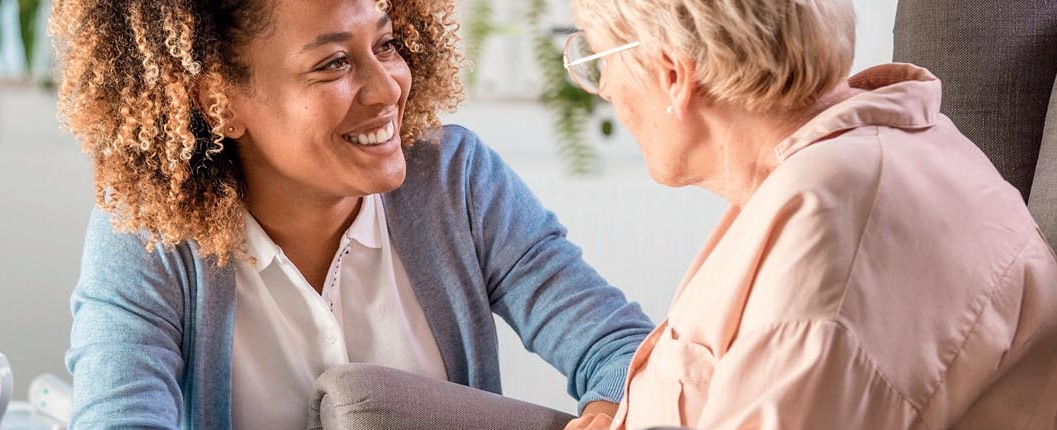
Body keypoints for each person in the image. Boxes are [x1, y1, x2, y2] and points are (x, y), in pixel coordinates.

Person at [49, 0, 655, 428]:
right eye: (333, 62)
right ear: (219, 101)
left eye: (385, 44)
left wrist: (608, 413)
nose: (388, 87)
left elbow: (624, 350)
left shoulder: (456, 180)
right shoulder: (148, 234)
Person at [558, 0, 1057, 428]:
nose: (602, 87)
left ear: (673, 74)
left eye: (599, 59)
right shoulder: (837, 166)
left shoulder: (835, 227)